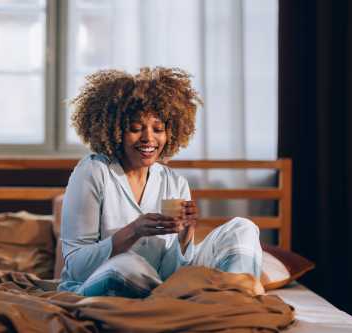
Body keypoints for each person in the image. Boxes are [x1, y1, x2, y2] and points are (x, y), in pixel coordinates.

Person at [58, 67, 262, 297]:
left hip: (161, 288)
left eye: (158, 129)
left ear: (171, 132)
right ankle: (187, 303)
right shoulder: (93, 172)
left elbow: (171, 272)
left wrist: (185, 238)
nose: (148, 138)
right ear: (114, 131)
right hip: (99, 284)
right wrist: (134, 231)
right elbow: (76, 267)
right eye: (135, 128)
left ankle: (237, 304)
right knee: (128, 265)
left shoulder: (174, 182)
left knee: (243, 228)